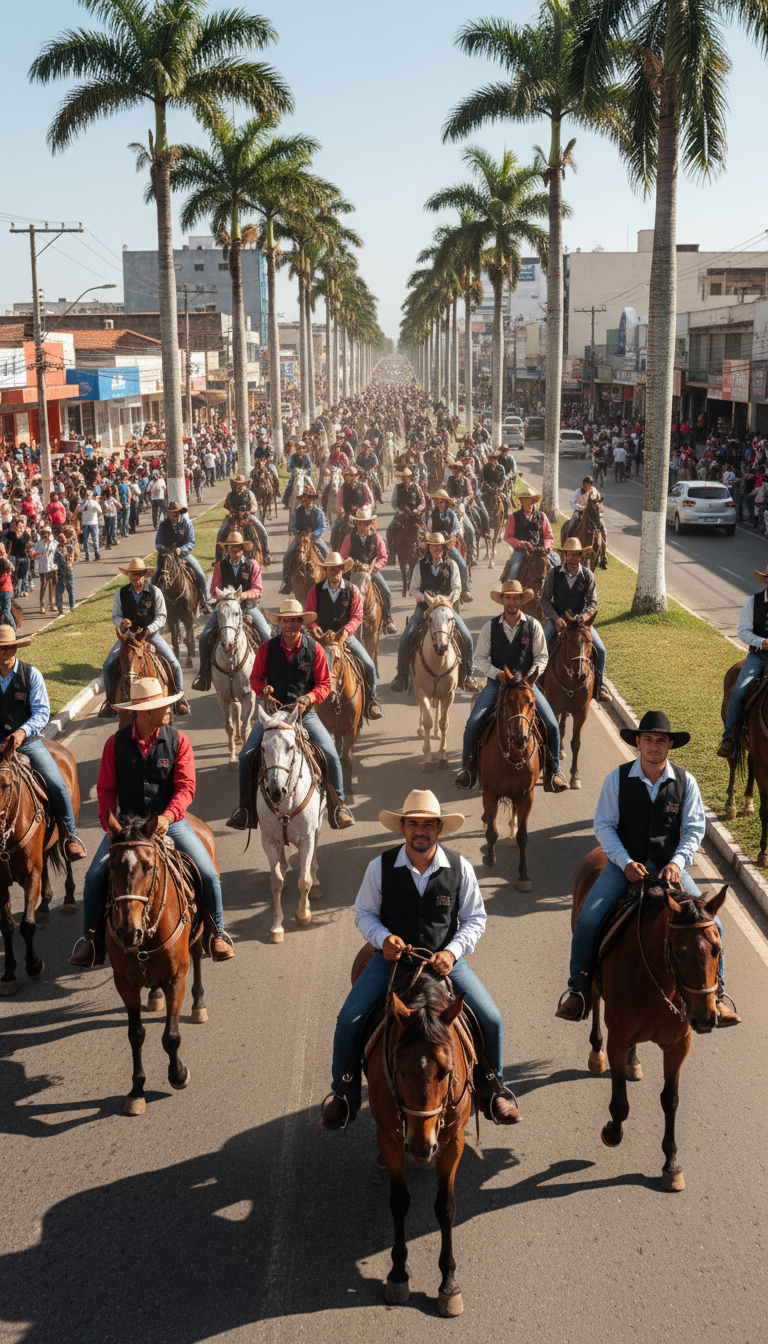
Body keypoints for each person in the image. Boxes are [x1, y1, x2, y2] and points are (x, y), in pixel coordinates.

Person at [317, 788, 522, 1130]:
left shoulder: (459, 868)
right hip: (391, 962)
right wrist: (383, 939)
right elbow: (364, 913)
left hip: (444, 962)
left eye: (428, 824)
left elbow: (475, 919)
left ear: (439, 829)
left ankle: (493, 1089)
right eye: (413, 824)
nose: (420, 831)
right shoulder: (379, 866)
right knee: (348, 1020)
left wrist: (452, 951)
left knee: (493, 1019)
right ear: (403, 828)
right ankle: (344, 1093)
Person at [555, 711, 740, 1026]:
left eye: (661, 741)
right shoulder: (617, 778)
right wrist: (625, 861)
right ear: (638, 742)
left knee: (715, 928)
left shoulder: (686, 782)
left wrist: (677, 864)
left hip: (671, 868)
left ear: (670, 746)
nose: (655, 746)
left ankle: (718, 997)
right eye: (649, 740)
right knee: (588, 919)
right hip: (624, 864)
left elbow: (694, 830)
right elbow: (604, 826)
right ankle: (579, 990)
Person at [69, 677, 235, 968]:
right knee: (94, 877)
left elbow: (186, 788)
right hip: (127, 826)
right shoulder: (115, 744)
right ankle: (91, 941)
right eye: (163, 706)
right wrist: (110, 826)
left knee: (207, 873)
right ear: (144, 712)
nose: (168, 710)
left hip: (169, 821)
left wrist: (169, 816)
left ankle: (216, 932)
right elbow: (106, 789)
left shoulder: (178, 741)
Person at [226, 598, 355, 832]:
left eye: (294, 621)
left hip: (304, 715)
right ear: (279, 623)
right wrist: (263, 691)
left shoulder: (314, 649)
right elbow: (255, 678)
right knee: (246, 755)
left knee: (330, 753)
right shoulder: (266, 649)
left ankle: (339, 806)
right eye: (285, 621)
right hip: (273, 715)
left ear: (301, 623)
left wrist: (309, 698)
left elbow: (324, 684)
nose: (289, 626)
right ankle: (244, 809)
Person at [454, 579, 568, 793]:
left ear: (521, 601)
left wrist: (529, 678)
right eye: (508, 597)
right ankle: (468, 769)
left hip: (526, 688)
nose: (512, 602)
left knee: (551, 725)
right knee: (473, 723)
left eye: (516, 598)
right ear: (502, 600)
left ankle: (554, 771)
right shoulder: (490, 627)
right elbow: (479, 659)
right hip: (498, 685)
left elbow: (542, 657)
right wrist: (496, 674)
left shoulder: (533, 625)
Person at [0, 624, 86, 859]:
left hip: (27, 742)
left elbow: (41, 712)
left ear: (15, 648)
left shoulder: (31, 675)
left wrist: (21, 733)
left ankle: (71, 834)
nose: (5, 653)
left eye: (8, 648)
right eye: (1, 649)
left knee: (57, 783)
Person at [390, 533, 480, 694]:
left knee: (466, 636)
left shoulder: (452, 565)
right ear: (429, 548)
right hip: (425, 608)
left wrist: (448, 600)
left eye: (440, 547)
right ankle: (402, 675)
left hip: (445, 609)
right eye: (434, 547)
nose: (437, 549)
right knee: (406, 635)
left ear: (444, 548)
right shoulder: (420, 566)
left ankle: (468, 675)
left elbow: (457, 588)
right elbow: (413, 589)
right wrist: (423, 598)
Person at [101, 558, 191, 715]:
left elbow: (161, 616)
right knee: (108, 665)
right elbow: (115, 615)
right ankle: (110, 702)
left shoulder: (155, 591)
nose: (138, 579)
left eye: (141, 575)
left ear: (145, 575)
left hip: (150, 636)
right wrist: (122, 622)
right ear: (129, 576)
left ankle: (179, 700)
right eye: (135, 575)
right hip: (129, 637)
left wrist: (149, 629)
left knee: (174, 663)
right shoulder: (120, 593)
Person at [304, 552, 383, 719]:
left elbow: (357, 616)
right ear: (326, 571)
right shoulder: (315, 590)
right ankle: (302, 706)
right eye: (332, 569)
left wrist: (346, 630)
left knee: (368, 665)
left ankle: (371, 702)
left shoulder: (352, 590)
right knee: (302, 666)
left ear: (342, 569)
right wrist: (314, 627)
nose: (336, 572)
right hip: (322, 639)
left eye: (338, 569)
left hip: (345, 638)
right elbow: (309, 614)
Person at [192, 531, 271, 692]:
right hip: (225, 607)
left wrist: (242, 596)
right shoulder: (220, 566)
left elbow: (257, 589)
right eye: (230, 548)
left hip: (247, 607)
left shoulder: (253, 565)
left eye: (236, 548)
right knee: (205, 636)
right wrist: (226, 598)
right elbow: (214, 590)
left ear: (243, 549)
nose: (232, 550)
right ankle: (204, 674)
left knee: (266, 634)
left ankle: (271, 674)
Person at [540, 537, 611, 705]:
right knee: (540, 645)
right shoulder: (554, 573)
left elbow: (592, 604)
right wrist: (556, 618)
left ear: (580, 556)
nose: (574, 559)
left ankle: (598, 686)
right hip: (557, 621)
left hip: (580, 624)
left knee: (600, 650)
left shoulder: (588, 575)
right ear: (565, 555)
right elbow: (544, 600)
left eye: (577, 555)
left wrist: (583, 619)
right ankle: (537, 683)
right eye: (571, 555)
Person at [718, 564, 768, 758]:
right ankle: (729, 736)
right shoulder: (752, 602)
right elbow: (743, 631)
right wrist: (761, 642)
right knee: (738, 691)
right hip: (758, 656)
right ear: (765, 580)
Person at [338, 505, 397, 634]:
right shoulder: (349, 538)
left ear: (370, 523)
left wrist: (373, 568)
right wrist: (351, 565)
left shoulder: (377, 538)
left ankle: (388, 619)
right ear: (356, 523)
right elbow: (343, 555)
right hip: (353, 571)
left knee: (386, 592)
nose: (363, 526)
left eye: (366, 523)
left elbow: (383, 557)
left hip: (371, 572)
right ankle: (339, 620)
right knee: (340, 592)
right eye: (360, 523)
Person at [150, 499, 212, 610]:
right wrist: (165, 549)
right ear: (169, 514)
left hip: (182, 555)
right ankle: (153, 603)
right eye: (174, 516)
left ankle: (204, 598)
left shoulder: (187, 523)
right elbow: (157, 543)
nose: (177, 518)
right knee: (154, 577)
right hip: (166, 555)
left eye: (179, 515)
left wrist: (181, 549)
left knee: (200, 573)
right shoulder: (163, 525)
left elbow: (191, 541)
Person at [280, 481, 329, 594]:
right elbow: (292, 525)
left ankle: (330, 578)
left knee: (327, 552)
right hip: (300, 538)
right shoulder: (297, 512)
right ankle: (287, 581)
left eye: (309, 500)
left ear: (313, 500)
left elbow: (323, 526)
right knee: (287, 556)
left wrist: (313, 534)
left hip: (314, 538)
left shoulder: (318, 512)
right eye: (304, 500)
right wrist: (296, 532)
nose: (307, 502)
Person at [502, 485, 557, 582]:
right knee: (514, 569)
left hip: (541, 551)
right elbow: (507, 537)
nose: (531, 504)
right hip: (522, 551)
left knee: (556, 565)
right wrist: (521, 543)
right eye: (528, 501)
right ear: (522, 501)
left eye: (532, 502)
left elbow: (549, 536)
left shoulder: (542, 516)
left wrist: (547, 547)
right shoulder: (513, 517)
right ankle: (509, 590)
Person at [429, 489, 473, 602]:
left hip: (447, 544)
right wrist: (432, 536)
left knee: (462, 565)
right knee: (424, 564)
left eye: (442, 502)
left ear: (446, 503)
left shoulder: (451, 514)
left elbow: (457, 527)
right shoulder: (433, 515)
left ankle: (466, 589)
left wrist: (451, 536)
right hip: (435, 544)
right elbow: (429, 529)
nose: (440, 505)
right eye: (438, 502)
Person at [30, 524, 58, 615]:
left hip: (53, 567)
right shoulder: (39, 544)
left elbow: (55, 550)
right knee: (44, 586)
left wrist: (49, 542)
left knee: (53, 585)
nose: (46, 535)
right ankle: (42, 604)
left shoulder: (54, 542)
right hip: (43, 567)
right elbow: (36, 555)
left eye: (48, 532)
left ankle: (52, 603)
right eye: (44, 533)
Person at [54, 530, 77, 615]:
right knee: (59, 592)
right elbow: (55, 559)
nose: (61, 539)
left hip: (68, 572)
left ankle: (73, 608)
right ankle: (60, 609)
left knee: (71, 591)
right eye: (59, 537)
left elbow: (70, 558)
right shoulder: (57, 548)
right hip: (60, 573)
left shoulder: (69, 547)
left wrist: (66, 558)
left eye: (62, 537)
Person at [77, 490, 102, 561]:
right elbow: (100, 511)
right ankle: (90, 554)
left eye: (89, 495)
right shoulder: (84, 503)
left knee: (91, 540)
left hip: (90, 523)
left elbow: (100, 511)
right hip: (88, 523)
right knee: (90, 540)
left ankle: (93, 554)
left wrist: (96, 517)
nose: (88, 496)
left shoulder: (89, 503)